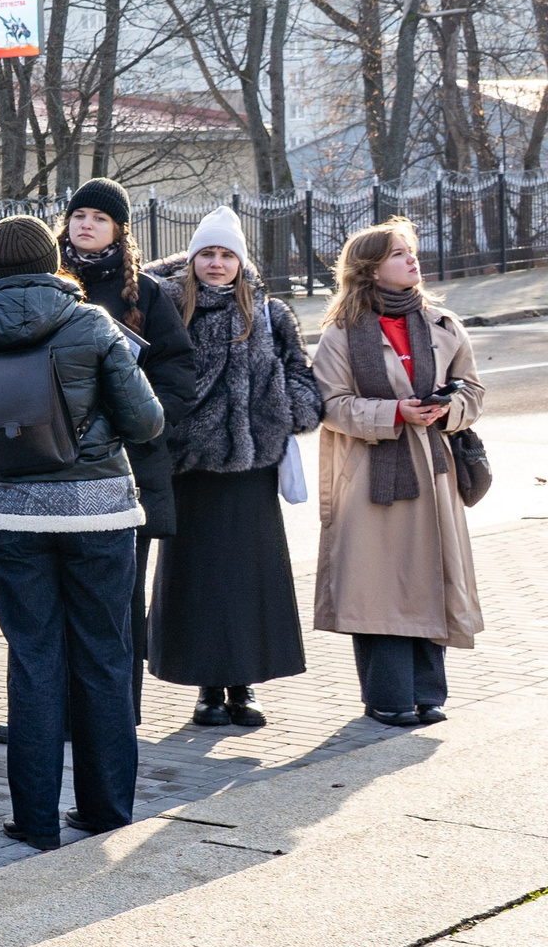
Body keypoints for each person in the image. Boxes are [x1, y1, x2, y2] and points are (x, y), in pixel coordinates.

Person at [0, 216, 165, 851]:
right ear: (54, 258)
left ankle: (36, 819)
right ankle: (105, 810)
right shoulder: (92, 324)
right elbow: (147, 422)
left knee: (34, 659)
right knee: (104, 655)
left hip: (9, 517)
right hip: (96, 512)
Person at [146, 208, 323, 727]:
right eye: (208, 253)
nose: (217, 263)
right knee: (198, 580)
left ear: (241, 261)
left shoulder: (269, 312)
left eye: (227, 255)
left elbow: (301, 376)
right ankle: (206, 688)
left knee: (250, 580)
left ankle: (243, 687)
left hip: (251, 470)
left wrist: (286, 412)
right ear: (193, 258)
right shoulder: (167, 306)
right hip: (190, 469)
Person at [309, 220, 485, 726]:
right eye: (398, 254)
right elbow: (331, 404)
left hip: (434, 471)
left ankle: (427, 695)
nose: (413, 261)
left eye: (411, 252)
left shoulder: (442, 323)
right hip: (368, 477)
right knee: (378, 588)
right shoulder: (342, 331)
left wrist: (445, 411)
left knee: (429, 579)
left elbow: (472, 391)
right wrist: (392, 414)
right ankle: (388, 698)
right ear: (370, 269)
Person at [60, 177, 196, 722]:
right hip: (55, 467)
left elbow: (179, 373)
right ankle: (52, 711)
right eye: (78, 215)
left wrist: (141, 421)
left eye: (99, 217)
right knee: (54, 600)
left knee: (117, 602)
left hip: (125, 471)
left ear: (119, 228)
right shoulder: (49, 284)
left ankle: (114, 714)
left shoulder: (148, 293)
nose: (86, 224)